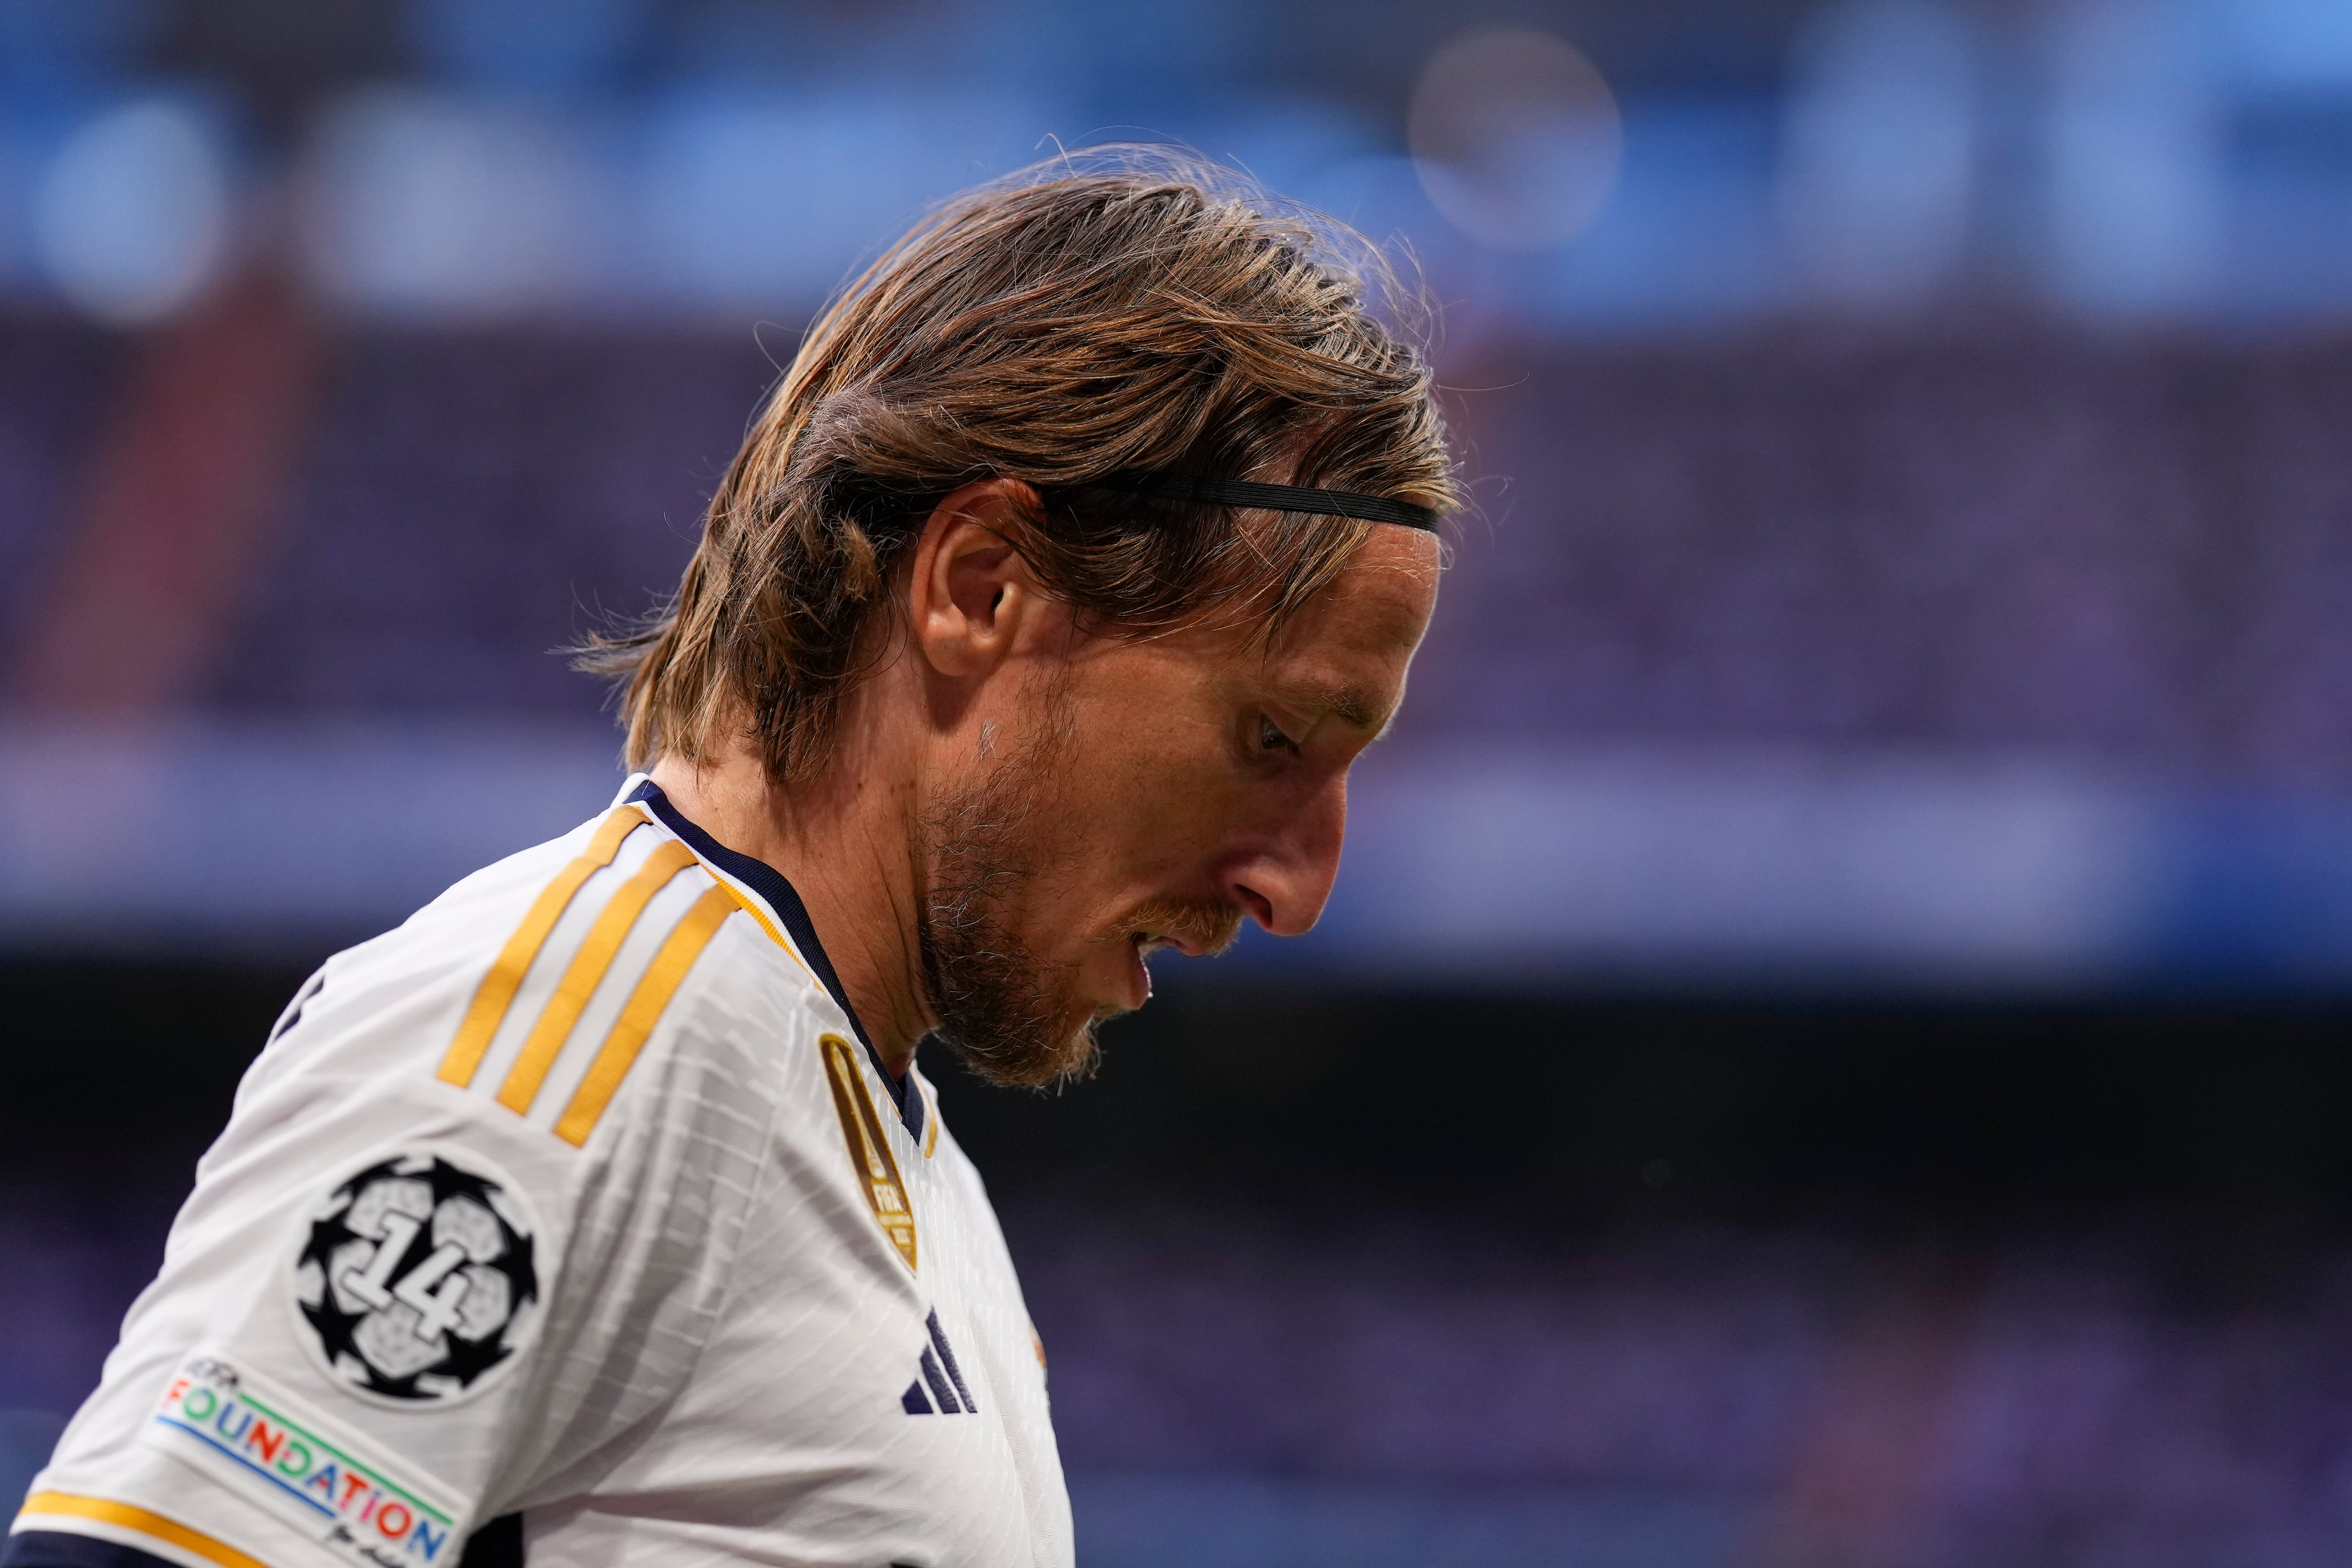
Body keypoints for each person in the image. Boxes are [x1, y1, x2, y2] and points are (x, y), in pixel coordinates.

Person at [6, 151, 1457, 1568]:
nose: (1301, 885)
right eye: (1274, 738)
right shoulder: (560, 1043)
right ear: (980, 588)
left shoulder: (875, 1133)